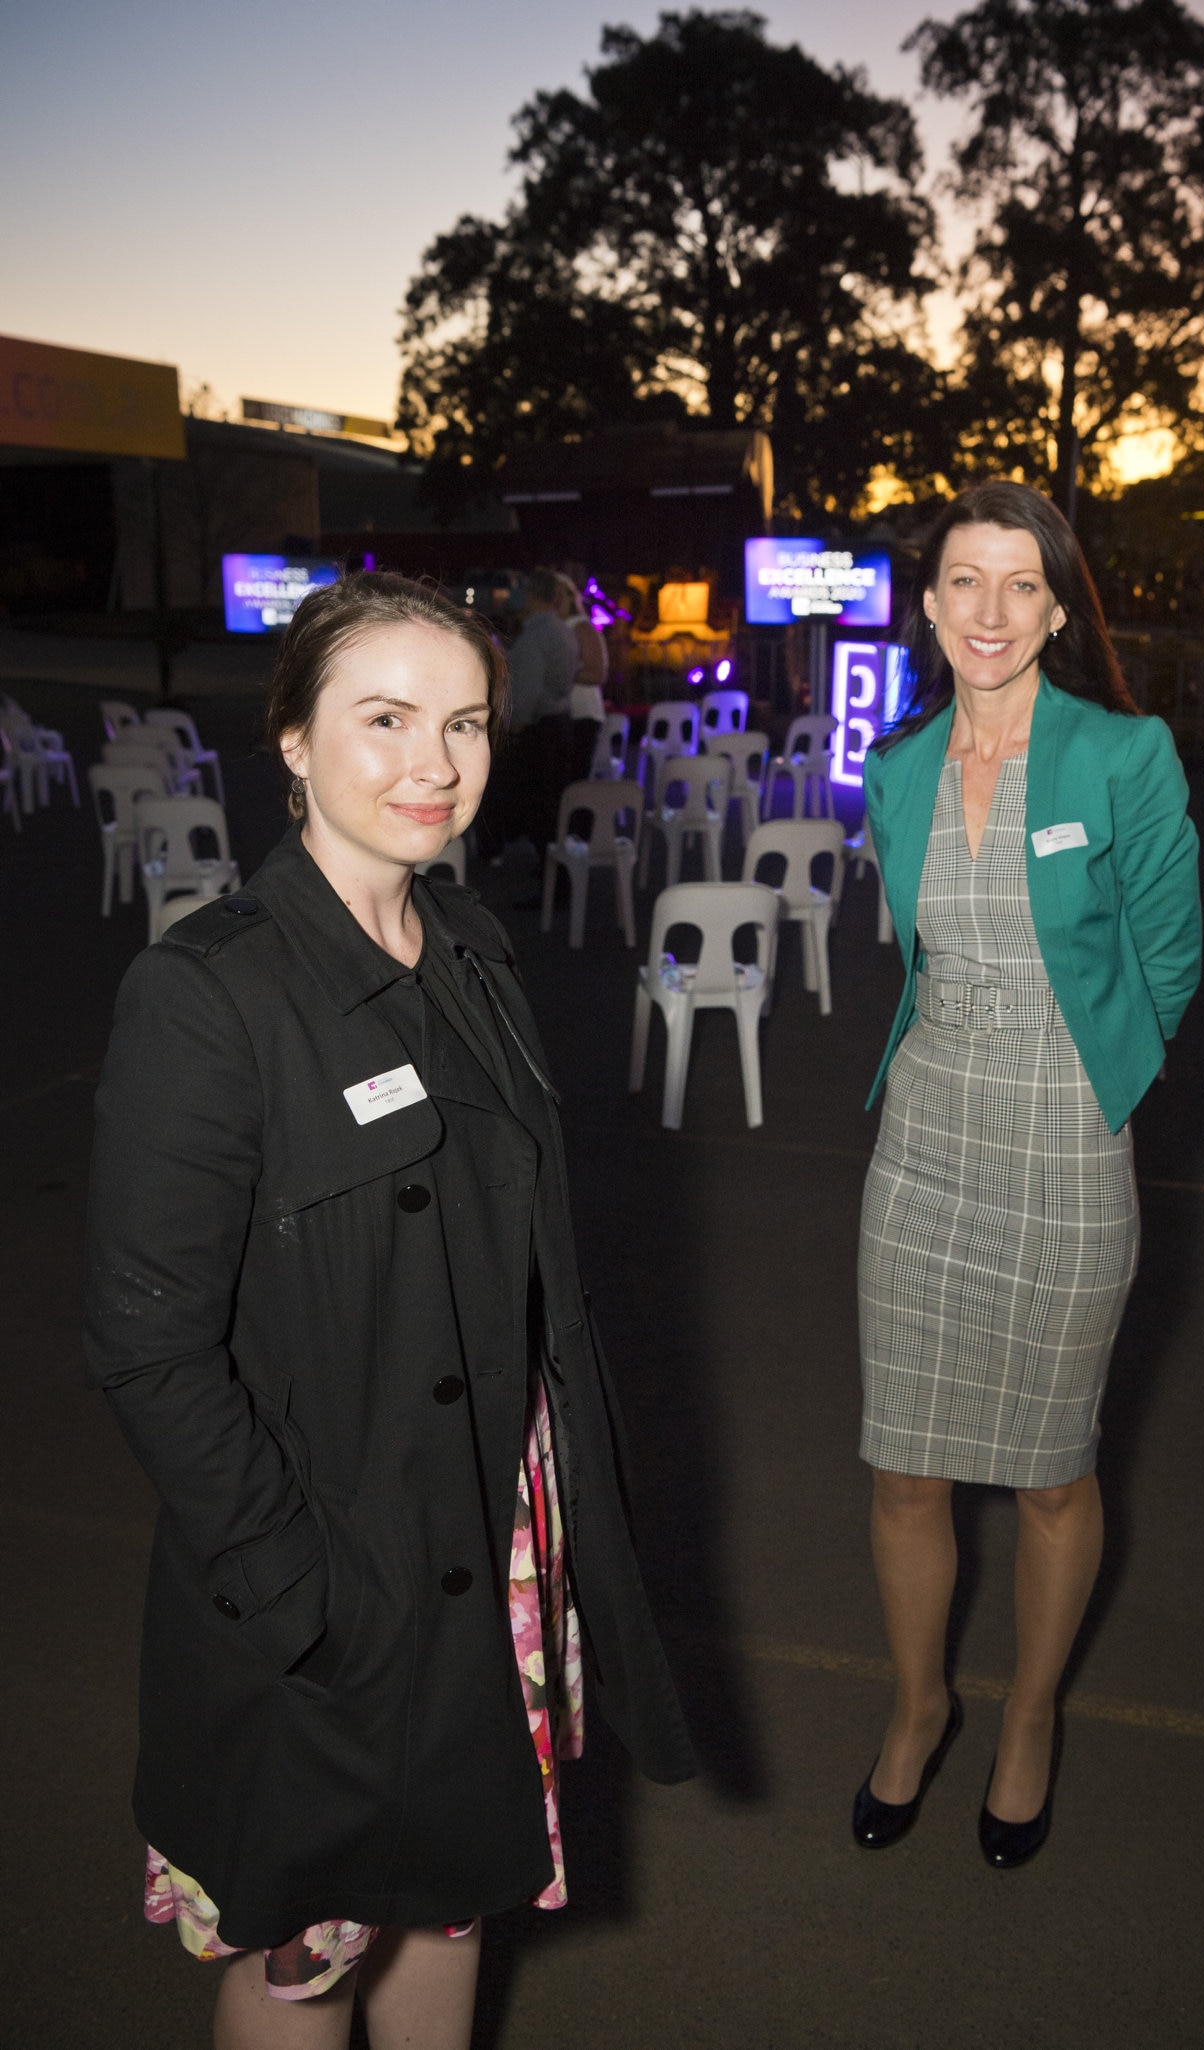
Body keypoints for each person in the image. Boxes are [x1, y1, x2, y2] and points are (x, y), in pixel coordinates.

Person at [84, 573, 694, 2049]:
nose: (436, 763)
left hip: (494, 1539)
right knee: (308, 1953)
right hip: (334, 1566)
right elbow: (149, 1342)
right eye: (386, 718)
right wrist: (299, 1591)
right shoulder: (208, 995)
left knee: (456, 1892)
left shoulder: (476, 947)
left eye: (467, 723)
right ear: (291, 738)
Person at [852, 481, 1200, 1870]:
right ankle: (918, 1700)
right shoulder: (894, 767)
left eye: (1018, 584)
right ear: (928, 604)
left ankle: (1028, 1715)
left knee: (1053, 1476)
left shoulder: (1124, 757)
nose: (988, 610)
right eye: (961, 582)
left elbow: (1167, 961)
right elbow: (912, 953)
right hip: (925, 1141)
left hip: (1065, 1143)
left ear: (1056, 606)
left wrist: (1098, 1083)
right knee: (901, 1467)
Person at [504, 566, 577, 857]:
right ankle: (555, 874)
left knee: (541, 802)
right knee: (555, 801)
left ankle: (549, 877)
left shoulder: (535, 635)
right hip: (561, 721)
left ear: (530, 596)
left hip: (542, 729)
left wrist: (516, 723)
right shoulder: (562, 630)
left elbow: (528, 688)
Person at [557, 573, 610, 781]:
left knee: (576, 778)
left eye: (560, 594)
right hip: (563, 714)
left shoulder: (582, 627)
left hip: (582, 714)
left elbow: (598, 674)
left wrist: (558, 674)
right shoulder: (555, 628)